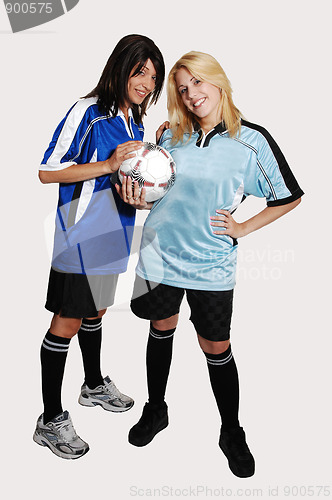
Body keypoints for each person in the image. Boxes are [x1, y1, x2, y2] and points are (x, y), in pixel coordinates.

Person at [125, 51, 304, 478]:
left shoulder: (251, 140)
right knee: (160, 328)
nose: (191, 95)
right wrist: (136, 194)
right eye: (183, 89)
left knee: (216, 347)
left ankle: (231, 431)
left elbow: (289, 196)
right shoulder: (171, 135)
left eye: (198, 84)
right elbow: (151, 185)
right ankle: (156, 410)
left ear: (218, 82)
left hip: (210, 264)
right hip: (158, 256)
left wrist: (241, 227)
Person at [33, 34, 165, 460]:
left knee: (96, 311)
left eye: (153, 76)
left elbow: (129, 179)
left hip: (115, 232)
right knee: (67, 321)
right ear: (121, 65)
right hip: (81, 234)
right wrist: (108, 165)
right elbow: (48, 170)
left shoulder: (137, 121)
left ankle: (92, 385)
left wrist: (144, 179)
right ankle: (50, 418)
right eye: (140, 70)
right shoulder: (87, 111)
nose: (146, 81)